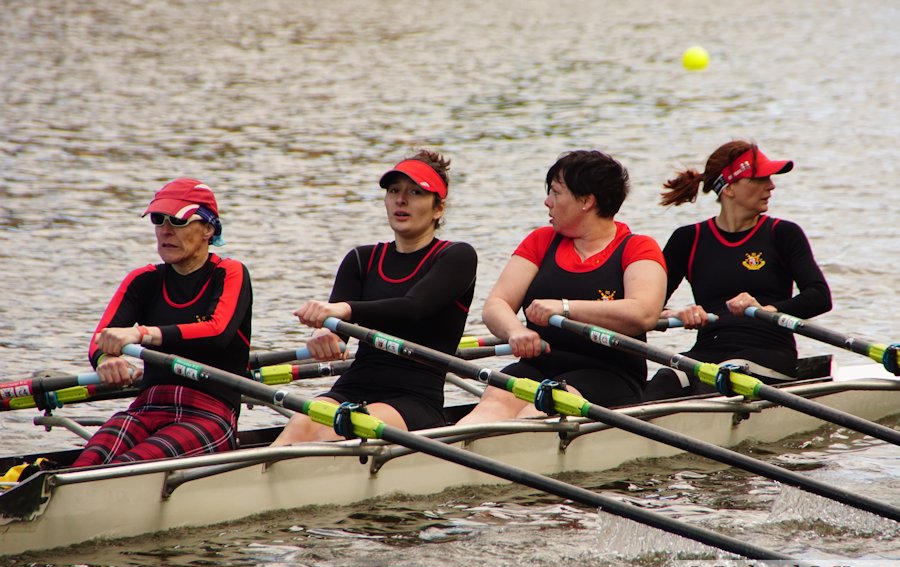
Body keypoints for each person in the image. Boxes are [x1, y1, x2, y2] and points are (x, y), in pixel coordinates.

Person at [271, 150, 477, 445]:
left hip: (413, 399)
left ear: (438, 209)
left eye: (415, 192)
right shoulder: (361, 259)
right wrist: (325, 335)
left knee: (335, 430)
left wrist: (341, 311)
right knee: (300, 423)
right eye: (394, 191)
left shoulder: (456, 256)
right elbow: (338, 336)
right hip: (352, 386)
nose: (401, 200)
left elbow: (413, 307)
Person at [457, 150, 667, 425]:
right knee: (492, 405)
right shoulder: (541, 241)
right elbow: (496, 304)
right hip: (537, 364)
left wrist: (565, 308)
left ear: (586, 201)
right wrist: (516, 330)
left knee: (539, 412)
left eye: (556, 192)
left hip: (607, 374)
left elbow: (644, 313)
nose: (547, 202)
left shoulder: (637, 247)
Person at [72, 178, 253, 466]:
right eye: (159, 219)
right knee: (85, 465)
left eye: (179, 221)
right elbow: (101, 338)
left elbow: (216, 332)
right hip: (147, 407)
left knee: (126, 467)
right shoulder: (143, 280)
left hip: (210, 412)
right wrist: (107, 359)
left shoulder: (230, 273)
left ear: (208, 229)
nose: (166, 231)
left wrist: (141, 334)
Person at [644, 141, 832, 399]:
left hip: (769, 353)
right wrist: (676, 313)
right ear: (729, 188)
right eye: (760, 178)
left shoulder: (783, 234)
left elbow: (820, 297)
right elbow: (645, 309)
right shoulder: (688, 239)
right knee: (664, 380)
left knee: (721, 379)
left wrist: (767, 310)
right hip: (707, 351)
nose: (771, 185)